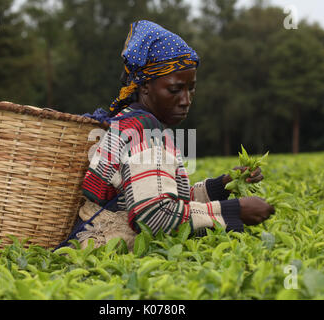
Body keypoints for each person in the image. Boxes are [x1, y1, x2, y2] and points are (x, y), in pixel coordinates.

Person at [74, 20, 275, 250]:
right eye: (174, 89)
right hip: (106, 254)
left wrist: (222, 186)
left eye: (191, 88)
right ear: (145, 86)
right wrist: (234, 211)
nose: (186, 100)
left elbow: (157, 193)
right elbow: (155, 217)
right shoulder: (144, 131)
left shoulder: (129, 121)